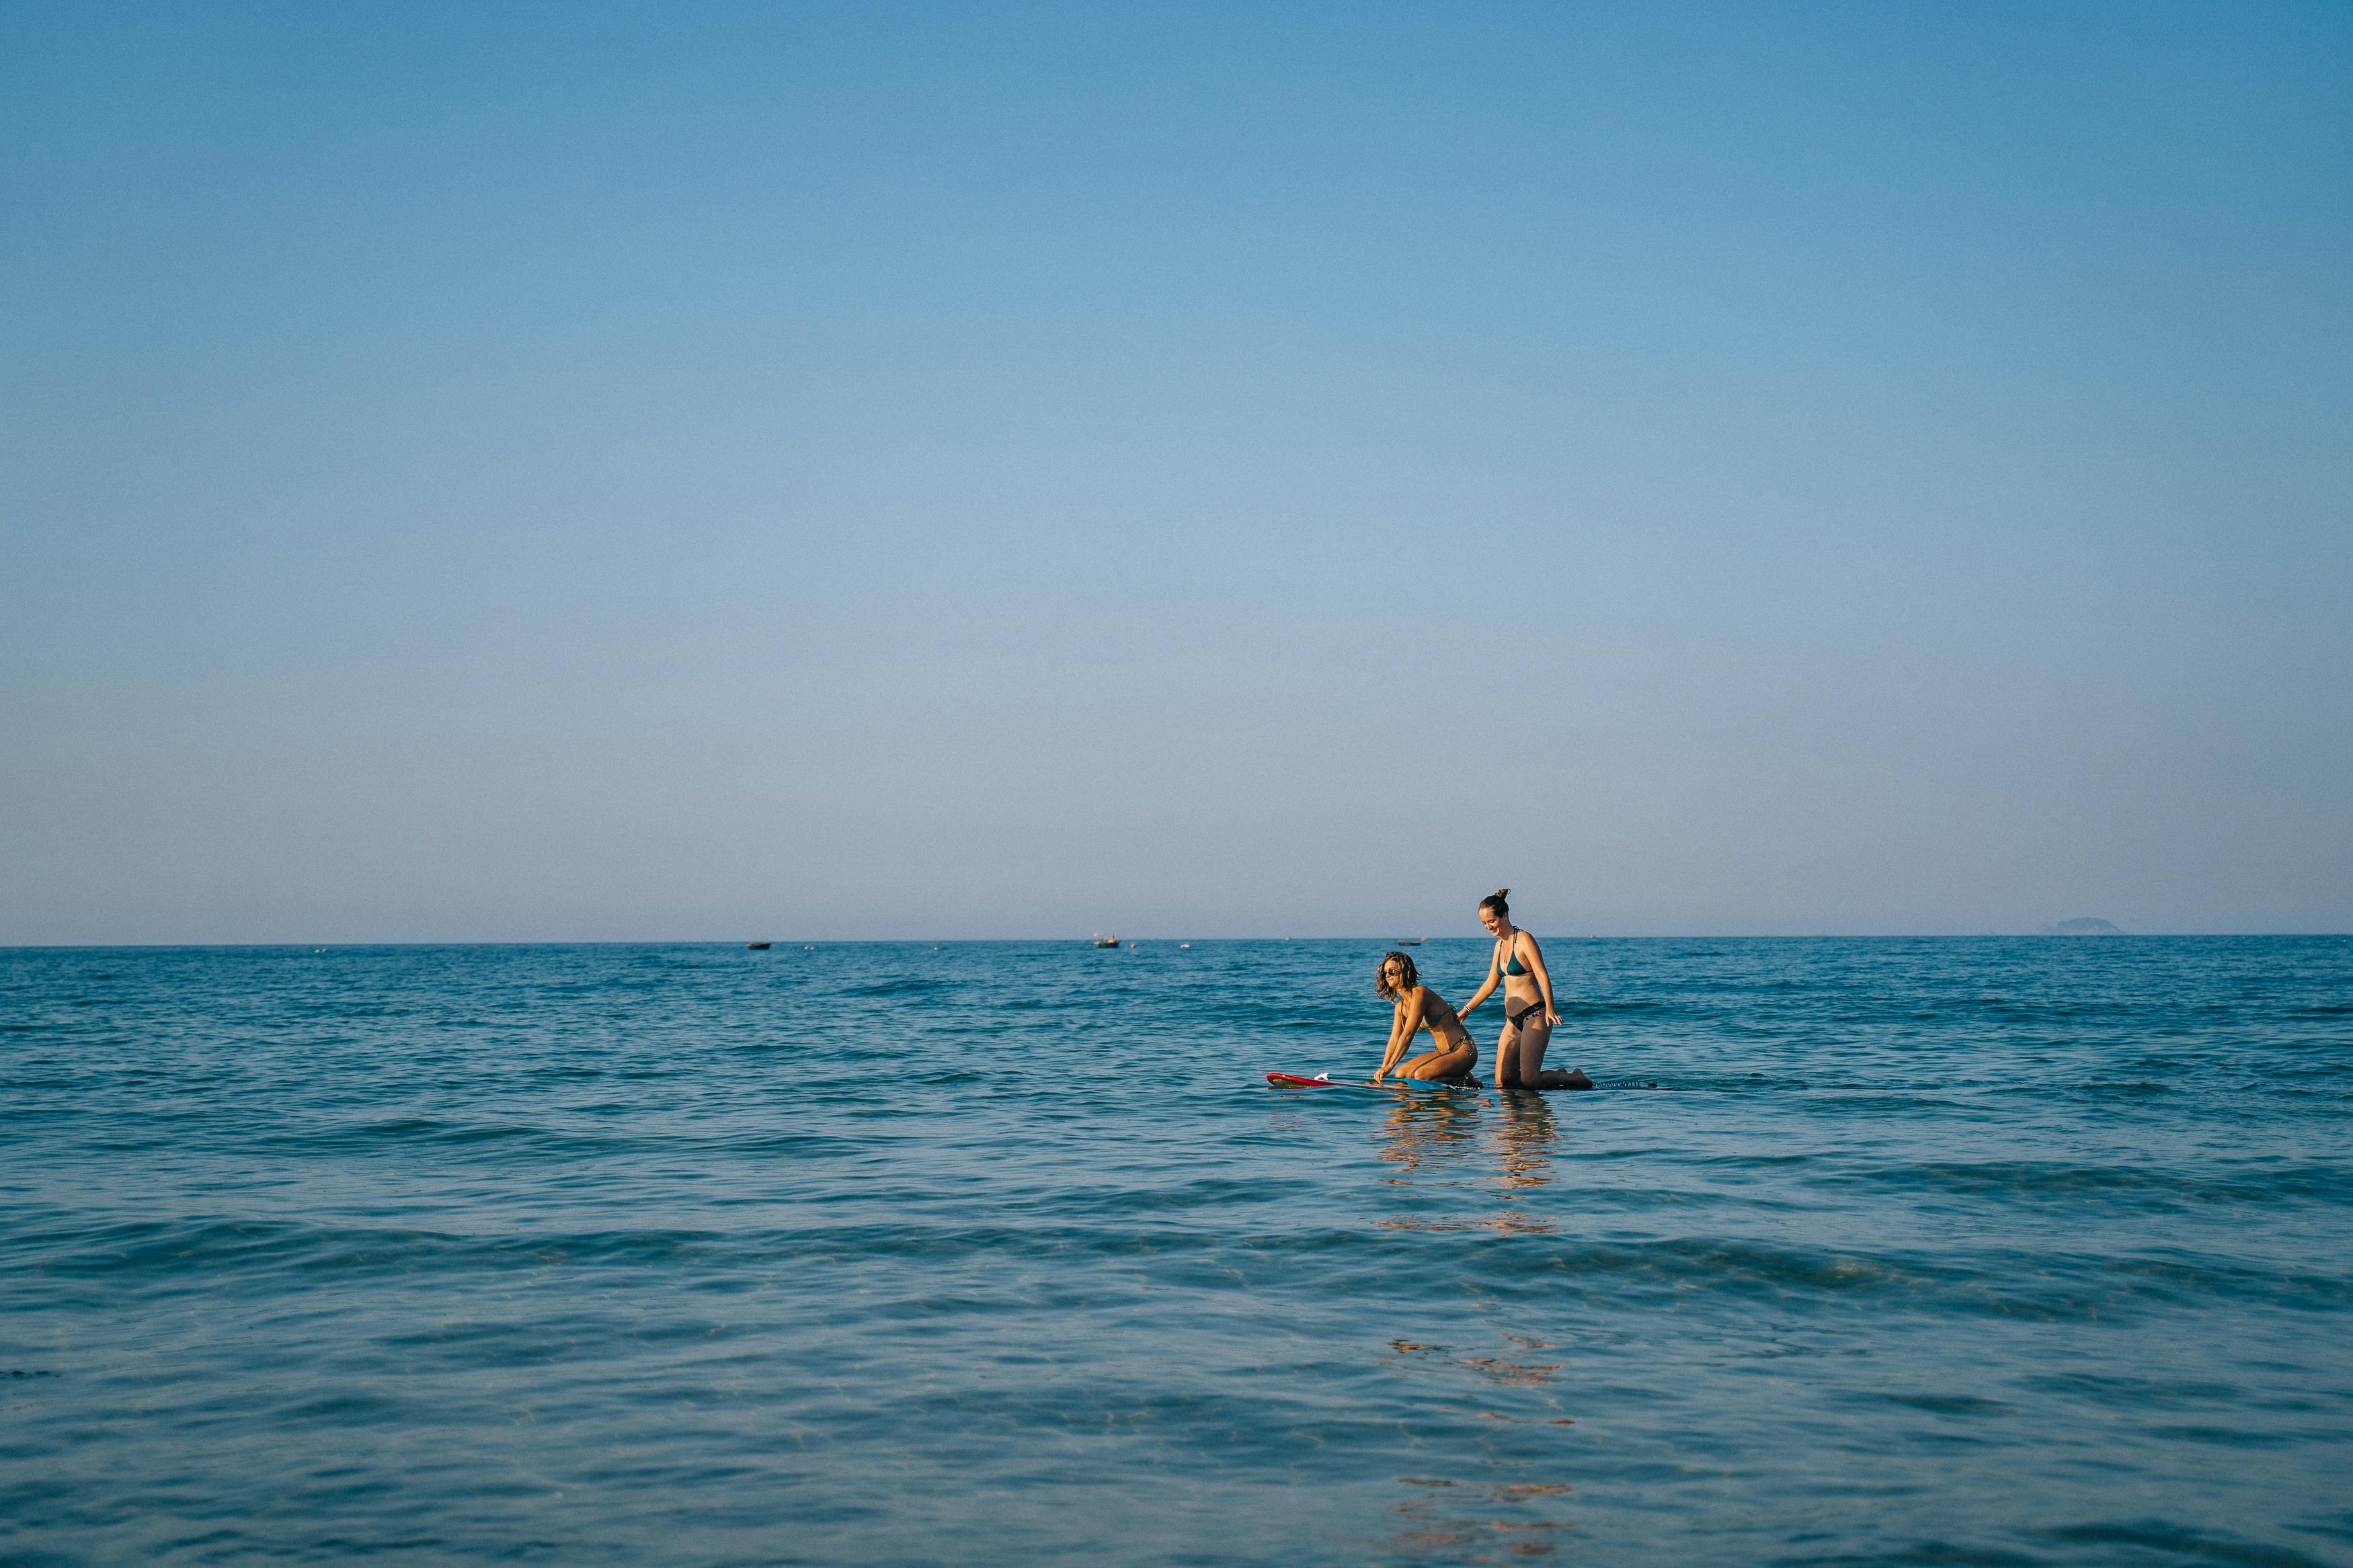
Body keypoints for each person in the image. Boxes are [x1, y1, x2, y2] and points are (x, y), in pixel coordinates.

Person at [1456, 889, 1591, 1091]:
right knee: (1504, 1083)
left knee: (1530, 1081)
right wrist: (1466, 1011)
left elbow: (1542, 975)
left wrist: (1551, 1009)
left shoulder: (1524, 940)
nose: (1487, 927)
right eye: (1483, 923)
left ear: (1504, 915)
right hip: (1512, 1020)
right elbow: (1490, 984)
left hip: (1535, 1014)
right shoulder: (1499, 947)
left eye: (1491, 921)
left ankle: (1575, 1077)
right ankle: (1523, 1114)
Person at [1371, 950, 1479, 1085]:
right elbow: (1394, 1039)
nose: (1387, 975)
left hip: (1463, 1050)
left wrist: (1390, 1065)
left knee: (1420, 1075)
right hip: (1442, 1053)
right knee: (1401, 1075)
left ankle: (1468, 1080)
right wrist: (1383, 1068)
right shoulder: (1401, 1006)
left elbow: (1408, 1034)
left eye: (1392, 971)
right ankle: (1408, 1105)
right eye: (1385, 972)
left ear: (1405, 971)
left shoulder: (1420, 994)